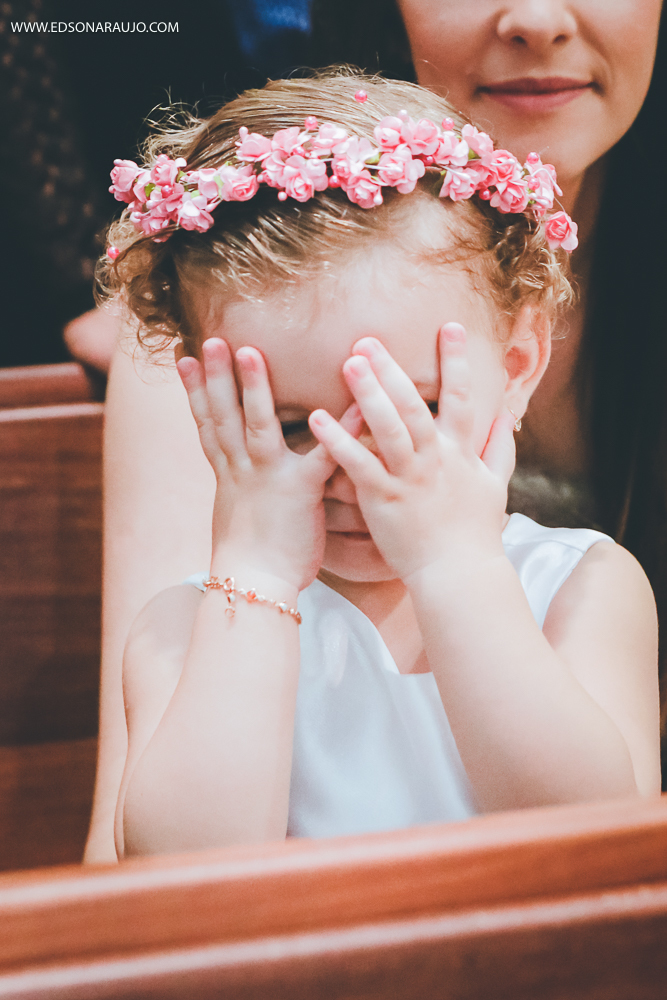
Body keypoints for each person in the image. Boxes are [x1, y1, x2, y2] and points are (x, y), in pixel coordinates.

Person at [86, 1, 666, 863]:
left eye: (413, 411)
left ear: (514, 367)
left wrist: (453, 567)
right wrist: (253, 573)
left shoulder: (580, 591)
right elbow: (180, 870)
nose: (353, 466)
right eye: (287, 425)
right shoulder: (186, 628)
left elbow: (594, 841)